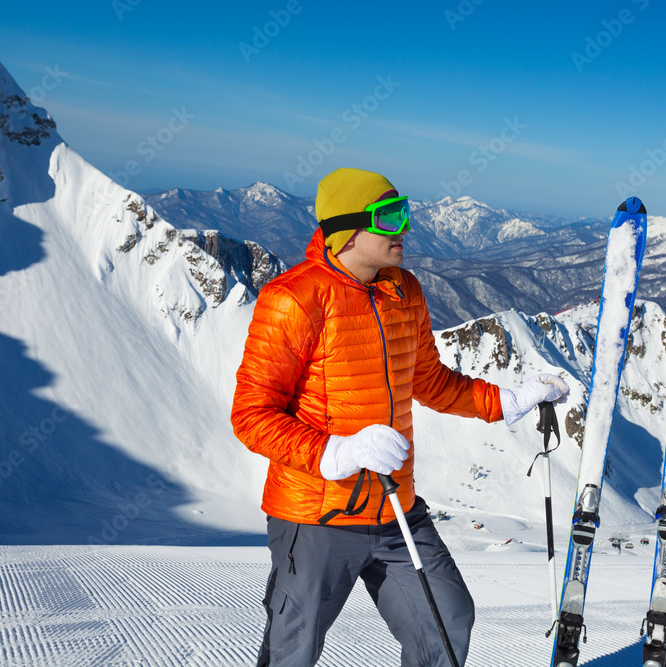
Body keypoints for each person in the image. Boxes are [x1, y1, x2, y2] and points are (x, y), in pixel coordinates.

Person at [231, 167, 568, 666]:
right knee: (293, 648)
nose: (404, 228)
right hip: (318, 516)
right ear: (347, 230)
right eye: (390, 216)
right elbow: (251, 415)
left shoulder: (403, 290)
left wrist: (508, 402)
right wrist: (336, 451)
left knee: (447, 622)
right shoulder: (294, 299)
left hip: (396, 509)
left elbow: (429, 382)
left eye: (405, 212)